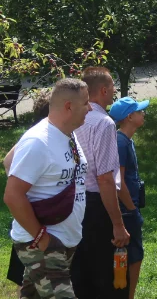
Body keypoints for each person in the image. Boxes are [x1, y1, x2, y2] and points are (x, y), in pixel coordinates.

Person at [3, 79, 90, 299]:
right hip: (42, 242)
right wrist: (42, 237)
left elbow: (8, 160)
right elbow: (12, 195)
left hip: (64, 240)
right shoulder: (38, 141)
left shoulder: (68, 133)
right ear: (69, 106)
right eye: (86, 103)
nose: (90, 108)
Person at [73, 67, 130, 299]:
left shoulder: (74, 118)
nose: (113, 94)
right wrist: (118, 224)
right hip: (98, 205)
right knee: (105, 275)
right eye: (113, 90)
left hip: (74, 202)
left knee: (81, 272)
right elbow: (105, 178)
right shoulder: (104, 123)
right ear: (103, 90)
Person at [4, 90, 51, 295]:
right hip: (34, 224)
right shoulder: (38, 137)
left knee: (30, 285)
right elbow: (8, 162)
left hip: (32, 223)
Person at [110, 97, 150, 299]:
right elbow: (118, 182)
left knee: (135, 255)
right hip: (126, 209)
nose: (143, 113)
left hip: (130, 206)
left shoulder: (126, 141)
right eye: (139, 111)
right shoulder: (119, 143)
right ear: (129, 116)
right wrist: (132, 210)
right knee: (133, 256)